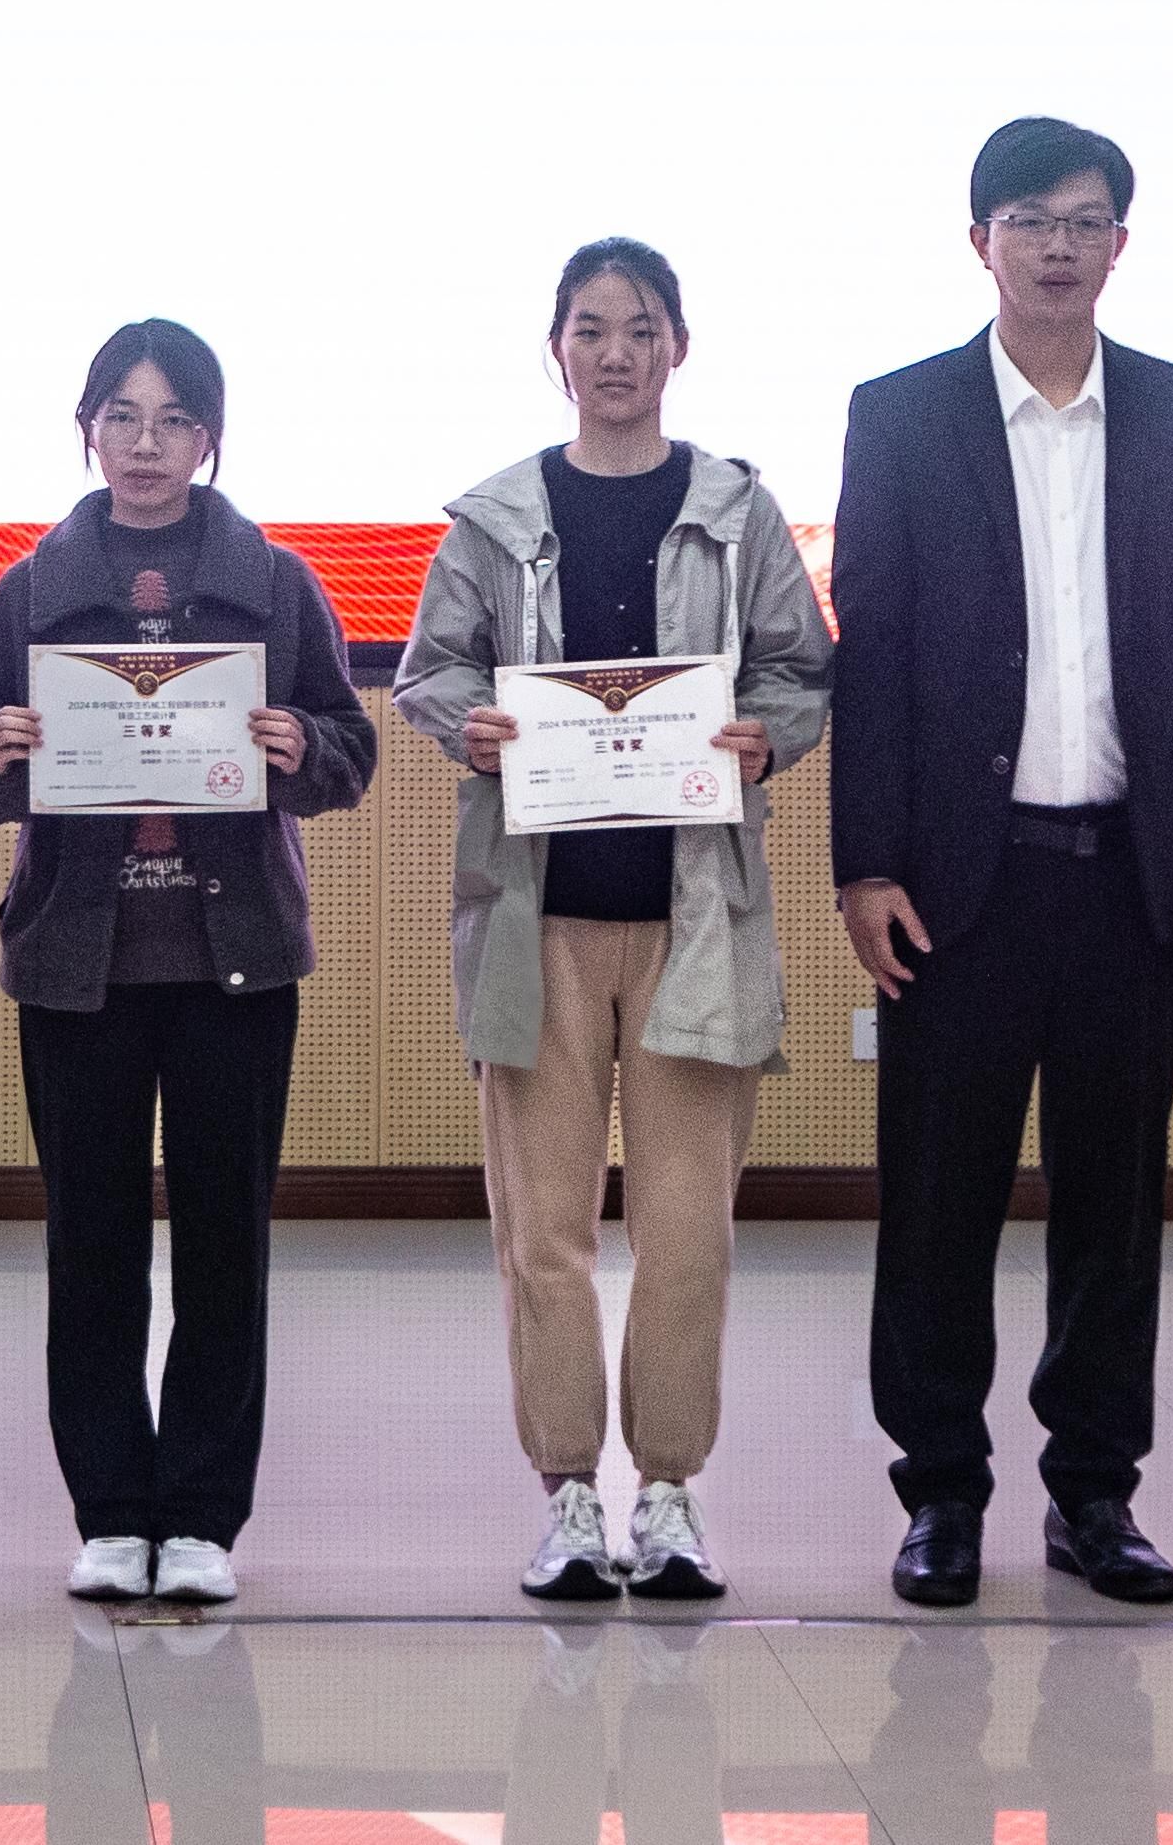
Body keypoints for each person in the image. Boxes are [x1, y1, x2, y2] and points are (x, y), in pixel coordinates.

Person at [831, 117, 1173, 1611]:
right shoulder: (902, 416)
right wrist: (864, 863)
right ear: (981, 243)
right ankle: (941, 1492)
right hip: (962, 883)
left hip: (1126, 871)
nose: (1059, 247)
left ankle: (1095, 1492)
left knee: (1114, 1203)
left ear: (1120, 245)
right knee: (935, 1201)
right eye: (1030, 220)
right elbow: (874, 654)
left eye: (1085, 221)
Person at [395, 237, 833, 1606]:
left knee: (689, 1231)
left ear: (678, 347)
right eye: (590, 329)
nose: (617, 354)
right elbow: (429, 672)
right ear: (557, 351)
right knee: (545, 1233)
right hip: (536, 923)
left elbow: (801, 673)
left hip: (695, 920)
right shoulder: (496, 519)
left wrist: (768, 733)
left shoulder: (737, 510)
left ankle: (675, 1494)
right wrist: (467, 722)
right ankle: (570, 1494)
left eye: (641, 328)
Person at [0, 319, 380, 1607]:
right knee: (89, 1244)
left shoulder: (278, 583)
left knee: (224, 1246)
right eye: (122, 418)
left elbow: (351, 753)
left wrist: (300, 746)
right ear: (87, 431)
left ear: (210, 437)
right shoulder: (29, 588)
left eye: (174, 419)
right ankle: (107, 1508)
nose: (146, 444)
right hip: (74, 962)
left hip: (233, 957)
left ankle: (198, 1514)